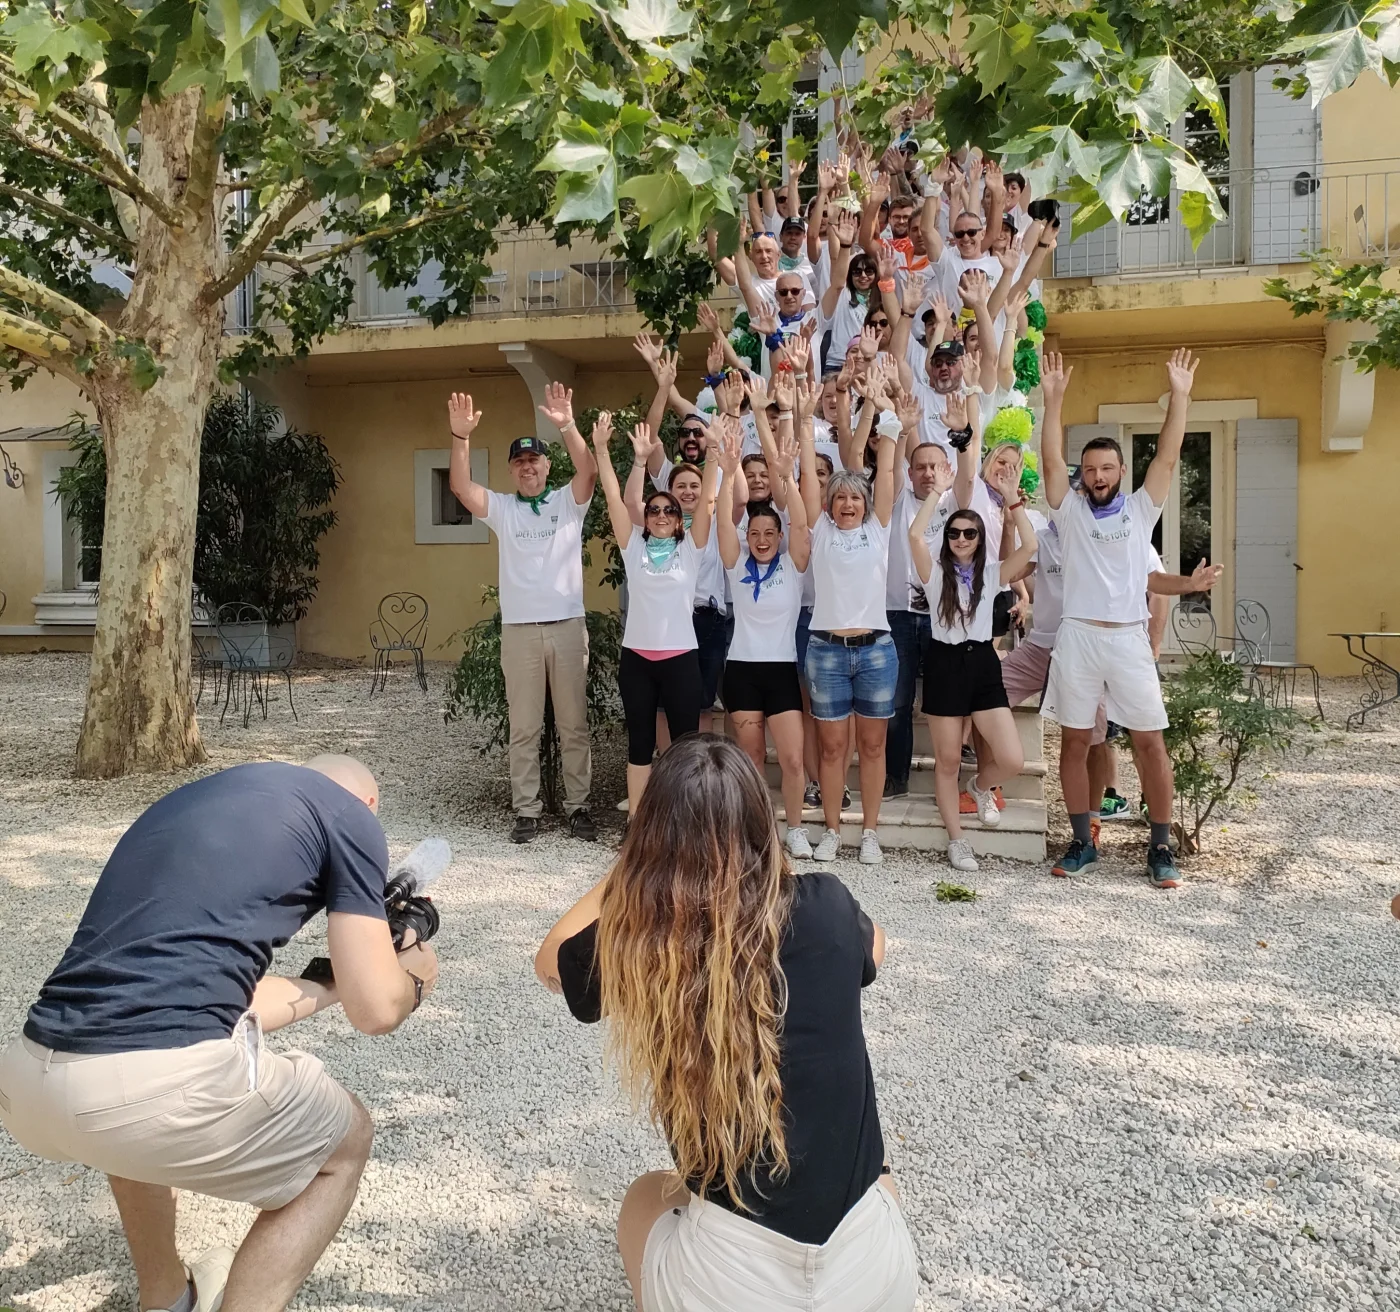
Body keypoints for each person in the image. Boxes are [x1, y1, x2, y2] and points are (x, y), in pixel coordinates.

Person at [0, 756, 437, 1312]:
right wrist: (414, 983)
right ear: (367, 805)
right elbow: (376, 1011)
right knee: (343, 1146)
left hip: (29, 1082)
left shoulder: (191, 805)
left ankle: (166, 1300)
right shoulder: (350, 815)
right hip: (146, 1090)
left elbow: (216, 1003)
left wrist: (328, 985)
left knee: (132, 1089)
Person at [533, 735, 918, 1312]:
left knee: (645, 1197)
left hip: (730, 1284)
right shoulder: (827, 907)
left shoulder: (642, 942)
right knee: (881, 1176)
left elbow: (550, 959)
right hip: (871, 1277)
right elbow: (878, 949)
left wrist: (639, 873)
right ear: (761, 824)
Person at [1039, 348, 1200, 889]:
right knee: (1075, 742)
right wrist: (1054, 399)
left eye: (1107, 468)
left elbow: (1169, 457)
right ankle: (1083, 841)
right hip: (1079, 638)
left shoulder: (1139, 508)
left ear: (1121, 472)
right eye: (1090, 469)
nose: (1098, 475)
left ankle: (1160, 846)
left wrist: (1179, 396)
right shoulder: (1069, 510)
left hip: (1129, 640)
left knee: (1150, 743)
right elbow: (1050, 455)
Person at [448, 385, 598, 844]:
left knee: (574, 724)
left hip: (567, 628)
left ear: (547, 466)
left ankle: (579, 807)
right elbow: (460, 487)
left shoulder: (566, 504)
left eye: (534, 460)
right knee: (525, 727)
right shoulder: (505, 509)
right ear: (512, 471)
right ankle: (527, 810)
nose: (527, 467)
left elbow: (589, 471)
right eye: (519, 462)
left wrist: (568, 424)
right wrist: (460, 438)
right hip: (520, 633)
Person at [909, 398, 1038, 872]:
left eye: (970, 534)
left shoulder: (995, 574)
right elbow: (914, 536)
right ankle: (957, 838)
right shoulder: (935, 575)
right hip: (943, 663)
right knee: (945, 761)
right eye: (956, 534)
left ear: (981, 539)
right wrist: (934, 495)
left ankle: (981, 787)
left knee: (1011, 758)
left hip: (982, 663)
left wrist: (1015, 501)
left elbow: (1030, 547)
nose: (962, 539)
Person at [593, 412, 718, 816]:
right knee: (640, 744)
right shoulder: (633, 548)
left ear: (678, 518)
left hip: (681, 658)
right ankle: (637, 823)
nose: (662, 515)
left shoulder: (691, 548)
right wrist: (604, 451)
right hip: (638, 661)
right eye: (654, 510)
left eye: (668, 510)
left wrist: (714, 453)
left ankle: (686, 820)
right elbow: (614, 498)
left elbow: (708, 500)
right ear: (645, 517)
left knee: (686, 746)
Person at [799, 380, 900, 866]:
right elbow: (807, 478)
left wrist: (888, 418)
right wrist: (802, 425)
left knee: (874, 746)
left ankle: (872, 832)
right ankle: (834, 830)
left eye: (854, 499)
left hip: (877, 649)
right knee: (833, 747)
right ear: (829, 504)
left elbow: (886, 472)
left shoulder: (878, 530)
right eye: (838, 498)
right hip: (827, 651)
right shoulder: (819, 530)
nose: (847, 504)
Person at [715, 404, 813, 856]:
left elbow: (802, 524)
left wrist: (786, 477)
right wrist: (727, 470)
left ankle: (794, 828)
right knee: (751, 760)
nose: (760, 538)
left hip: (780, 672)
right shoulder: (736, 565)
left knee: (792, 759)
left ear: (778, 534)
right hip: (741, 671)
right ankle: (758, 833)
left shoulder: (793, 566)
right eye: (754, 531)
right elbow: (721, 522)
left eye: (769, 532)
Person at [885, 432, 955, 797]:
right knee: (897, 702)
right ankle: (896, 777)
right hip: (898, 614)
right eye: (921, 467)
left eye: (935, 466)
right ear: (909, 473)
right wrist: (902, 427)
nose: (928, 473)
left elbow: (971, 470)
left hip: (944, 615)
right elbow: (892, 466)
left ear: (946, 470)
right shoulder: (897, 499)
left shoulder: (955, 501)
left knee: (947, 700)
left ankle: (952, 779)